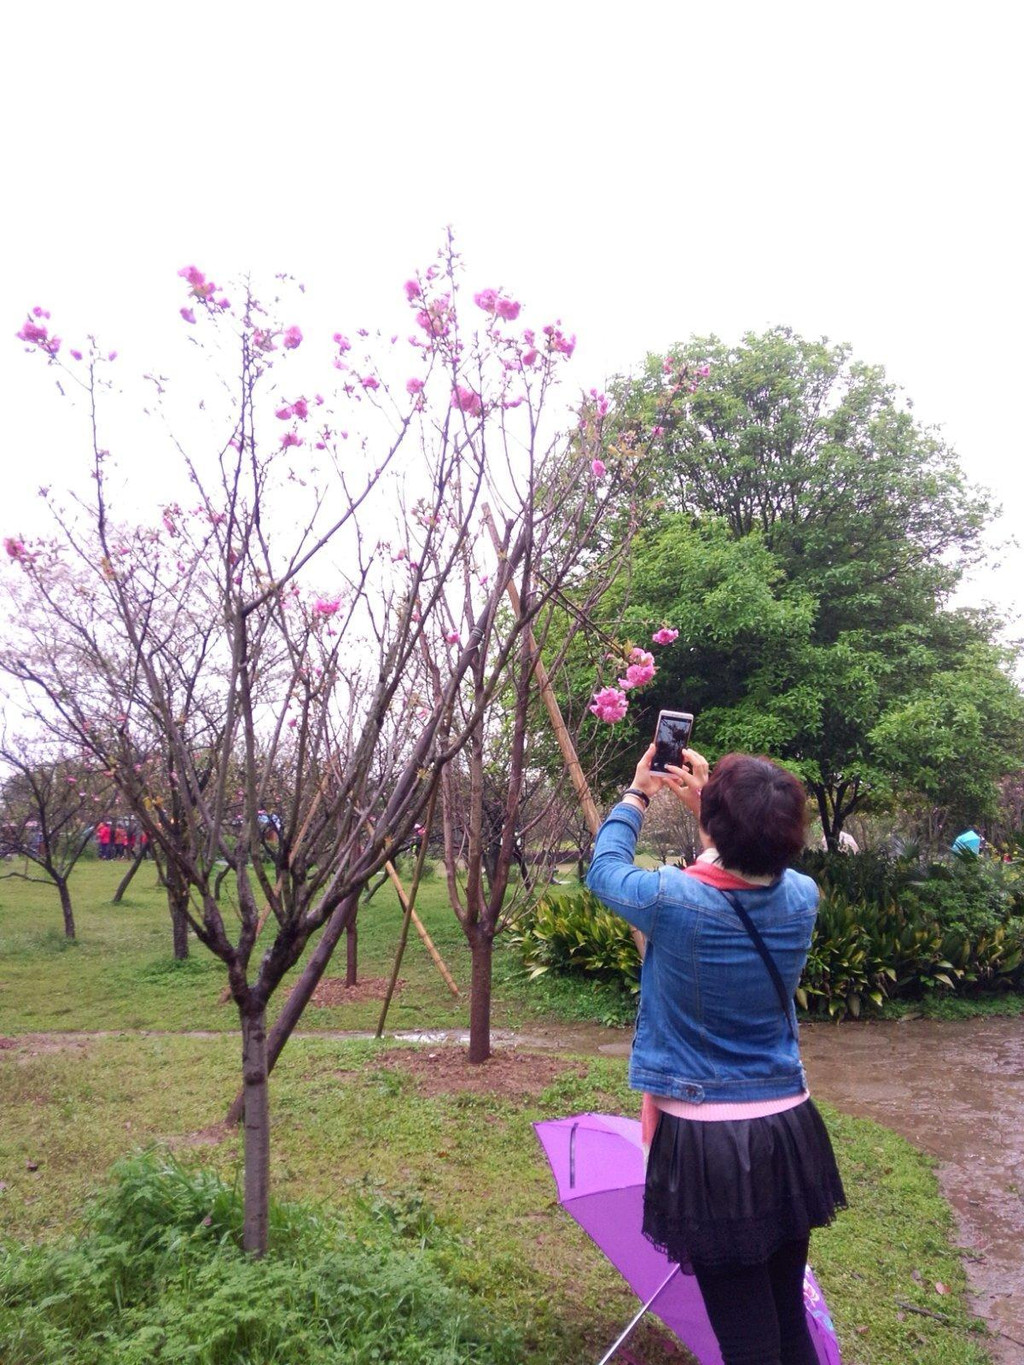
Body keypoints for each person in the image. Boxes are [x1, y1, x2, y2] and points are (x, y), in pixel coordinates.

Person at [586, 744, 845, 1365]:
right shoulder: (802, 897)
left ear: (715, 829)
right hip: (788, 1130)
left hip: (711, 1144)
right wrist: (721, 814)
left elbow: (603, 869)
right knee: (785, 1315)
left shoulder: (674, 900)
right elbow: (750, 863)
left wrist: (637, 792)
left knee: (747, 1338)